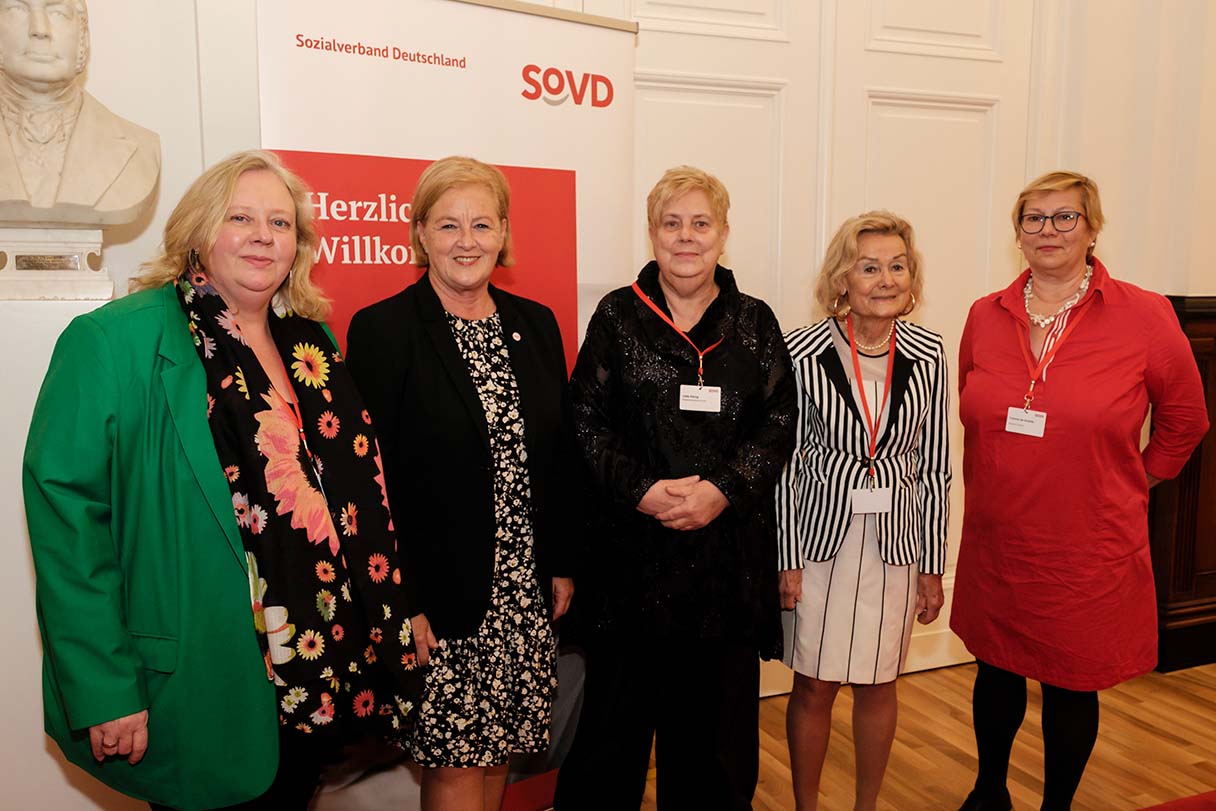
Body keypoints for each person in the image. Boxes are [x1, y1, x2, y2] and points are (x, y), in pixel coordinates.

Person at [23, 150, 422, 811]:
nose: (264, 236)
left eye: (280, 222)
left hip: (321, 678)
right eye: (241, 218)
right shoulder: (114, 341)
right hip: (200, 682)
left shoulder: (313, 342)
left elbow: (355, 501)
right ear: (199, 229)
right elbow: (67, 523)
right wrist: (104, 688)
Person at [951, 171, 1209, 811]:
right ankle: (989, 792)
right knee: (996, 668)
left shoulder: (1143, 315)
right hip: (998, 536)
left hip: (1085, 545)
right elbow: (971, 404)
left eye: (1065, 217)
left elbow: (1186, 418)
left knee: (1070, 682)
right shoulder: (985, 314)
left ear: (1092, 229)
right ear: (1017, 233)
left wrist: (1137, 478)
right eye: (1033, 218)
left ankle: (1056, 807)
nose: (1049, 230)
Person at [553, 165, 798, 810]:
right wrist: (642, 490)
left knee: (713, 749)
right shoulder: (617, 315)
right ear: (652, 232)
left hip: (723, 566)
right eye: (672, 223)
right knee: (611, 742)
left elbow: (779, 423)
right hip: (628, 562)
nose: (686, 237)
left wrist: (721, 489)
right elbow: (585, 420)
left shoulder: (755, 321)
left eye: (700, 223)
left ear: (724, 233)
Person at [345, 155, 575, 811]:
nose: (466, 241)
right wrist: (403, 598)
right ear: (420, 233)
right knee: (453, 764)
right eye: (448, 225)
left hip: (522, 589)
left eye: (481, 224)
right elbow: (367, 482)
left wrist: (560, 562)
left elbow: (556, 457)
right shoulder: (384, 330)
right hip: (438, 597)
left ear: (504, 232)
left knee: (498, 750)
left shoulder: (536, 324)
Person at [776, 211, 950, 811]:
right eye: (869, 267)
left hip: (895, 548)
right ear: (842, 279)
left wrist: (933, 566)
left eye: (897, 266)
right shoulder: (800, 350)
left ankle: (866, 808)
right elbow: (784, 464)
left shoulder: (930, 353)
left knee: (880, 683)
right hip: (819, 544)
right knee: (814, 684)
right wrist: (786, 558)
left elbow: (935, 467)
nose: (886, 279)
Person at [0, 0, 160, 224]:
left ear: (83, 37)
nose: (40, 29)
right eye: (18, 9)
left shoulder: (141, 147)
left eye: (57, 12)